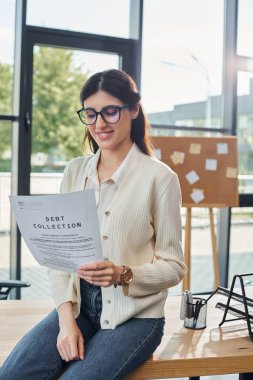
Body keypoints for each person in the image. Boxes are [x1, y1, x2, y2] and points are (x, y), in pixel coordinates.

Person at [0, 69, 187, 380]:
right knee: (12, 375)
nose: (100, 123)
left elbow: (175, 267)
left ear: (133, 110)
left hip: (137, 316)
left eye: (110, 111)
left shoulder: (160, 178)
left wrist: (123, 273)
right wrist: (65, 321)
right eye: (91, 113)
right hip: (79, 306)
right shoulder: (75, 171)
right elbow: (60, 259)